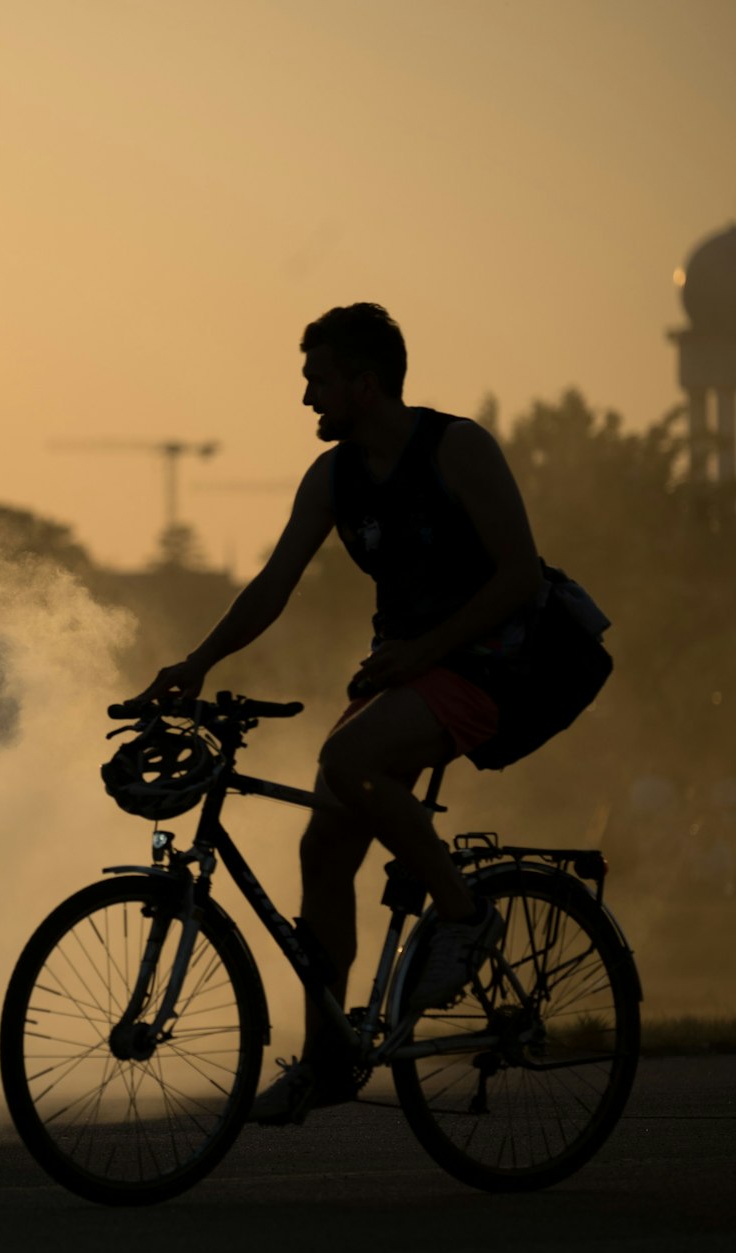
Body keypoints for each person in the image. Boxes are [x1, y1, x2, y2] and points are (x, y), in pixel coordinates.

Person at [131, 302, 604, 1125]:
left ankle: (463, 913)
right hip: (406, 671)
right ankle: (329, 1059)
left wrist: (423, 652)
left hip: (496, 663)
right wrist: (197, 662)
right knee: (322, 850)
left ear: (366, 382)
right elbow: (273, 586)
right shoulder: (335, 478)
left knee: (351, 766)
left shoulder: (458, 447)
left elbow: (521, 577)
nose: (307, 399)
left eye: (317, 381)